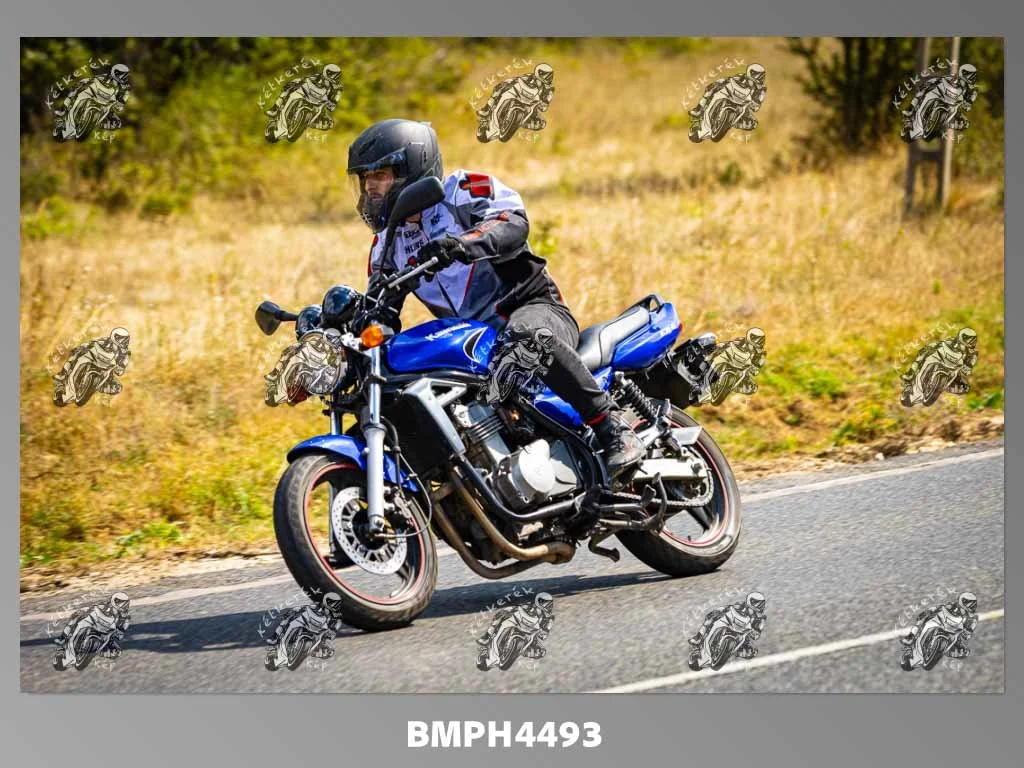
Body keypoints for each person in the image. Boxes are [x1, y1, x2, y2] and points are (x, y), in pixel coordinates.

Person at [346, 118, 643, 477]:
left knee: (526, 338)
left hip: (534, 309)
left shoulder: (461, 191)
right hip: (477, 344)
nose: (371, 188)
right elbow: (382, 310)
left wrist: (462, 243)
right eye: (364, 179)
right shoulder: (386, 246)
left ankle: (612, 426)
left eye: (379, 176)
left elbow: (512, 222)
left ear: (412, 168)